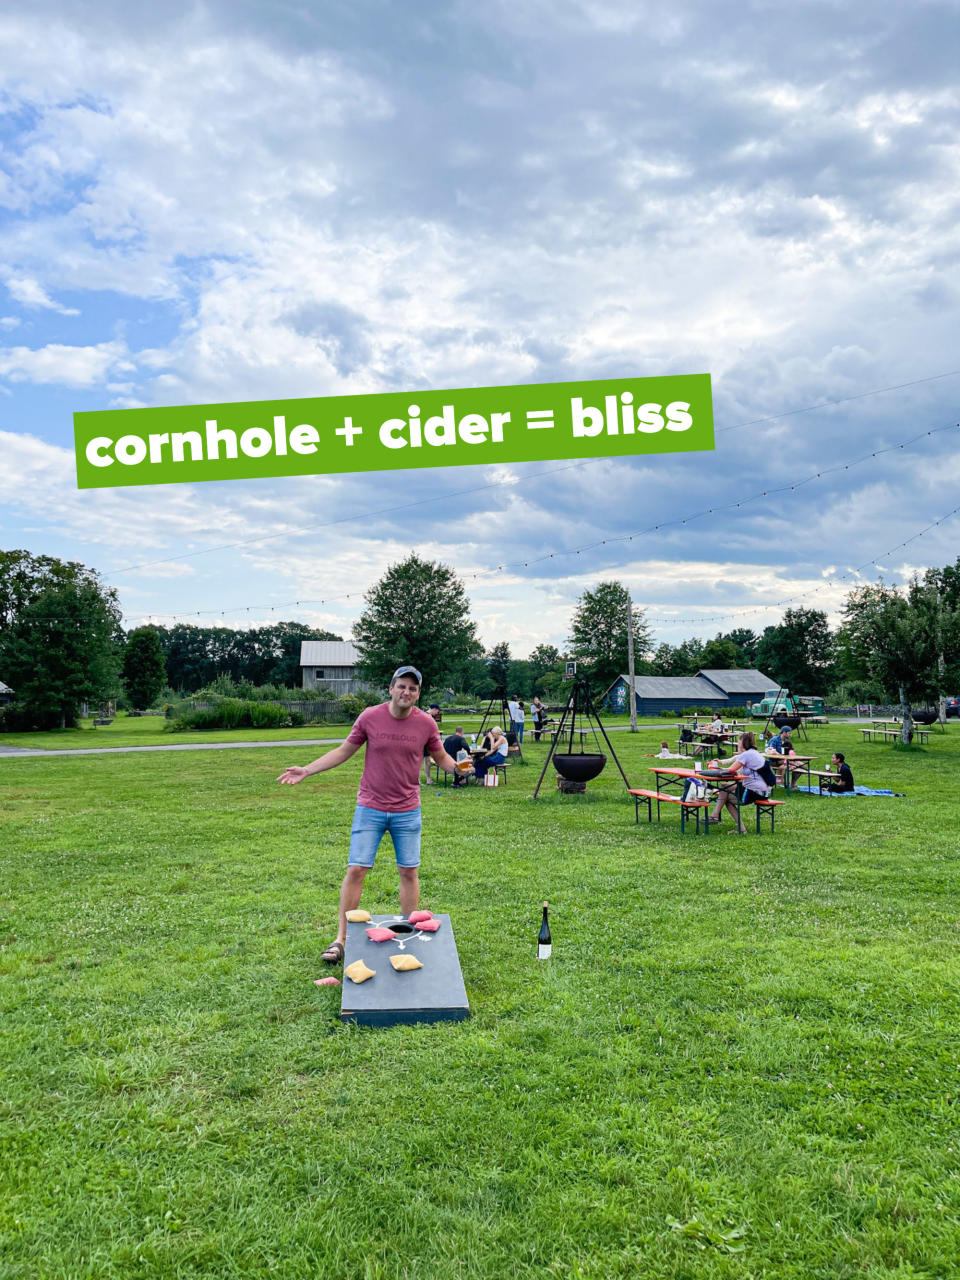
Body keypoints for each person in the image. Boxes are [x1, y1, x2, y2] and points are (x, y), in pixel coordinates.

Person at [276, 665, 457, 965]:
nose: (406, 692)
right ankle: (341, 940)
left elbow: (440, 757)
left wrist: (460, 769)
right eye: (402, 686)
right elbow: (344, 751)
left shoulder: (426, 723)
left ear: (418, 693)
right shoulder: (370, 717)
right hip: (370, 808)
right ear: (390, 688)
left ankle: (406, 933)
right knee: (356, 870)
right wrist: (307, 770)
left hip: (407, 809)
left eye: (413, 688)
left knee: (408, 871)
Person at [709, 731, 771, 834]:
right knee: (725, 791)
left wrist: (714, 770)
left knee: (725, 793)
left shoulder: (746, 755)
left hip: (753, 792)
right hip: (765, 792)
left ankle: (715, 816)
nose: (737, 744)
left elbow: (730, 771)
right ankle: (718, 817)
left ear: (742, 743)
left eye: (739, 742)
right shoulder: (756, 754)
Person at [422, 703, 443, 783]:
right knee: (419, 761)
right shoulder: (426, 717)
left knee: (427, 761)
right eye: (437, 711)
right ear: (434, 709)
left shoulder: (427, 716)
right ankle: (416, 780)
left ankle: (428, 779)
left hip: (427, 742)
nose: (437, 713)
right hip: (422, 742)